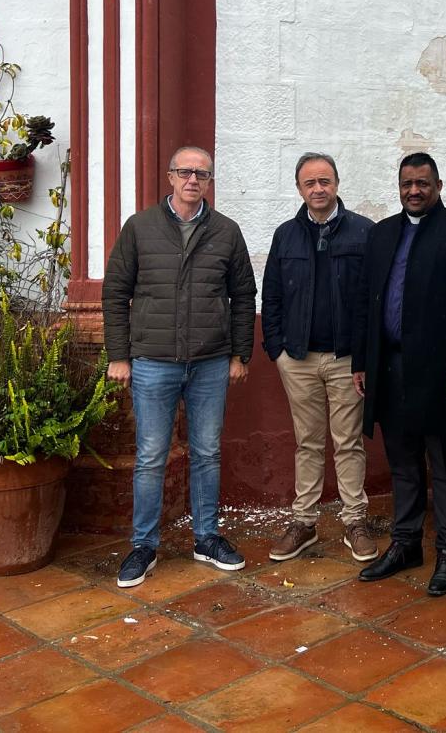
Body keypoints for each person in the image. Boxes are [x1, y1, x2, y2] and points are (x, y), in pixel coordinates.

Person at [103, 146, 256, 589]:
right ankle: (143, 545)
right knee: (151, 457)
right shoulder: (140, 228)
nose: (193, 180)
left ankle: (206, 538)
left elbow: (243, 295)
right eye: (185, 172)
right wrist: (119, 355)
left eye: (202, 174)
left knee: (207, 452)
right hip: (152, 361)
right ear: (170, 177)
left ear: (209, 181)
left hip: (210, 362)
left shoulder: (226, 232)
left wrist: (239, 353)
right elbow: (116, 292)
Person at [352, 153, 446, 596]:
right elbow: (366, 301)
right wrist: (361, 362)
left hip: (440, 373)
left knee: (445, 466)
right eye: (407, 183)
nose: (414, 190)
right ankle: (406, 543)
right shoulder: (381, 233)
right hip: (389, 368)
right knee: (403, 463)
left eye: (423, 183)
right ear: (399, 186)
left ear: (439, 185)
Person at [261, 152, 378, 564]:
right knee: (307, 442)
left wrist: (366, 354)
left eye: (324, 181)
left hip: (347, 360)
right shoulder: (286, 235)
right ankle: (304, 522)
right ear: (299, 189)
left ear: (337, 184)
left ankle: (355, 522)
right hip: (298, 359)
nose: (318, 189)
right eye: (310, 183)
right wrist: (275, 349)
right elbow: (271, 295)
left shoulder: (364, 233)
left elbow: (373, 299)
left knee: (348, 442)